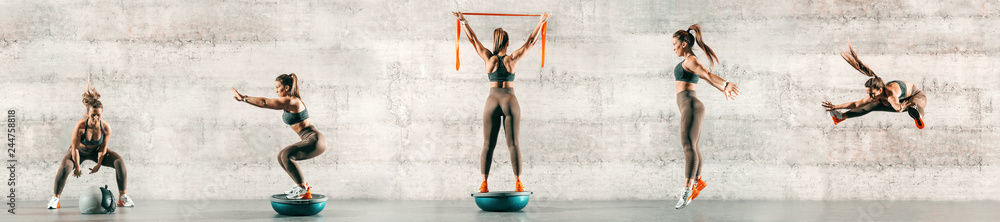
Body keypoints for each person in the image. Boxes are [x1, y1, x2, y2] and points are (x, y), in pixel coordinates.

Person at [452, 11, 551, 193]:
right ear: (507, 43)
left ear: (495, 43)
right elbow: (530, 42)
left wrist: (463, 22)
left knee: (488, 144)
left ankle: (484, 183)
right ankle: (519, 182)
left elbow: (473, 40)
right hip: (510, 100)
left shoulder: (488, 58)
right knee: (513, 143)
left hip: (492, 101)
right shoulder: (511, 59)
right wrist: (541, 22)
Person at [669, 24, 740, 209]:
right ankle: (697, 182)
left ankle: (686, 190)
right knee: (693, 145)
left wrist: (725, 84)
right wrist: (721, 87)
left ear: (684, 44)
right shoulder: (688, 62)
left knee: (688, 146)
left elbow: (708, 74)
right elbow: (706, 79)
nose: (673, 47)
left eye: (675, 44)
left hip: (691, 105)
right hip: (691, 106)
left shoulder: (691, 61)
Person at [231, 73, 326, 199]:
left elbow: (264, 102)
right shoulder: (288, 102)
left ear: (286, 88)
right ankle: (299, 186)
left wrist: (244, 98)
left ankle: (302, 189)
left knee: (286, 155)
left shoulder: (291, 101)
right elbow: (266, 104)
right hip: (312, 139)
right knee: (281, 156)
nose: (276, 91)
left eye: (277, 87)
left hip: (315, 139)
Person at [49, 79, 134, 209]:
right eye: (93, 115)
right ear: (88, 113)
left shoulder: (106, 127)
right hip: (79, 152)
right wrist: (77, 166)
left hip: (96, 152)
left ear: (102, 114)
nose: (96, 118)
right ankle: (55, 199)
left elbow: (103, 148)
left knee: (119, 162)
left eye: (98, 115)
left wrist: (99, 164)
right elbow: (75, 148)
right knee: (65, 166)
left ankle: (122, 198)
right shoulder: (80, 126)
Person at [822, 43, 927, 129]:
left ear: (880, 90)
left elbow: (895, 103)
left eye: (872, 94)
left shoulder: (891, 92)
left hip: (915, 96)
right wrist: (836, 106)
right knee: (870, 105)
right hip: (899, 103)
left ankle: (918, 117)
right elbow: (856, 104)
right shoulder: (876, 95)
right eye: (869, 94)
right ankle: (840, 117)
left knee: (915, 104)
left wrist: (899, 108)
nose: (871, 96)